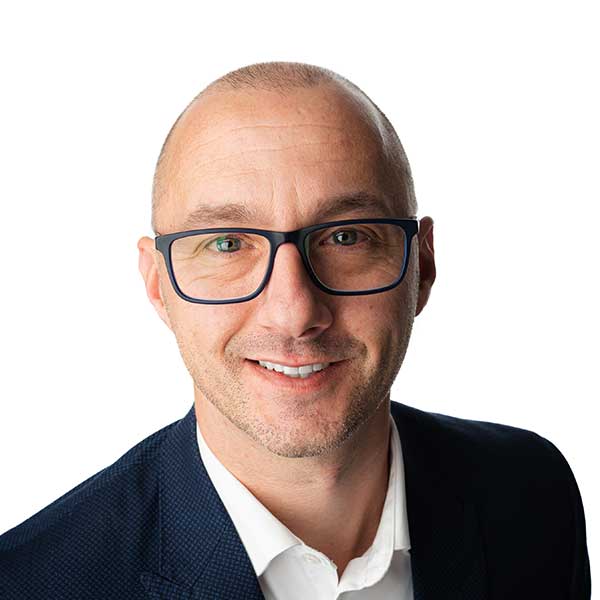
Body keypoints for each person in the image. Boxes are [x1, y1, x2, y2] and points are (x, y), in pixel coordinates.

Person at [0, 61, 591, 599]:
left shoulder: (530, 493)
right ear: (159, 285)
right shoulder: (31, 584)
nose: (294, 312)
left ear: (423, 266)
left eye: (346, 237)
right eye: (227, 244)